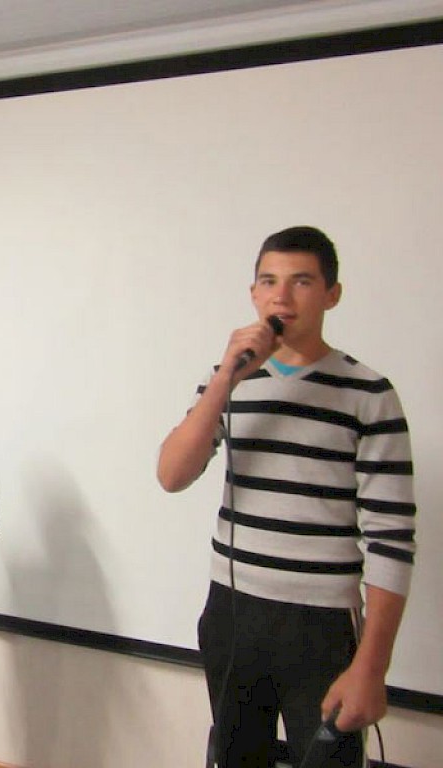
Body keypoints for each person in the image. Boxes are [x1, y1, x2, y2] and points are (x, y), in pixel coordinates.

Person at [156, 226, 416, 767]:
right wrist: (227, 378)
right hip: (233, 611)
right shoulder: (227, 380)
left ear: (331, 294)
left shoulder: (369, 392)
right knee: (236, 756)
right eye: (269, 281)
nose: (282, 296)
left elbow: (392, 538)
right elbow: (172, 474)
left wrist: (372, 667)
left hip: (322, 623)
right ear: (253, 294)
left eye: (302, 281)